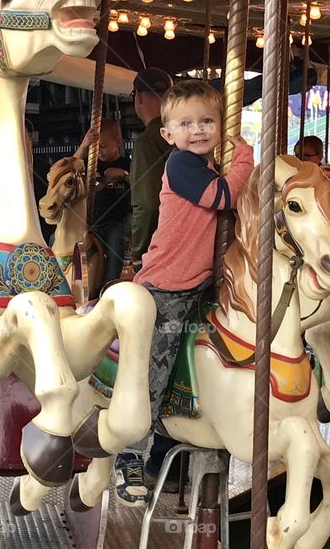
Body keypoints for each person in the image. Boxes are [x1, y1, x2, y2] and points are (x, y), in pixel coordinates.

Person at [111, 80, 254, 505]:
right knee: (153, 373)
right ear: (168, 133)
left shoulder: (204, 165)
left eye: (207, 121)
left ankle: (168, 451)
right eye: (186, 123)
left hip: (201, 286)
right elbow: (224, 196)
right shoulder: (182, 165)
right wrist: (244, 156)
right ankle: (129, 457)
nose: (198, 130)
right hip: (168, 288)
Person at [74, 118, 131, 287]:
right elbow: (67, 170)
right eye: (95, 146)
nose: (98, 151)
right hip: (91, 221)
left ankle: (109, 285)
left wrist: (124, 174)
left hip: (115, 221)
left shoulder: (126, 164)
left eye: (104, 146)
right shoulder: (91, 165)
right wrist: (84, 146)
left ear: (118, 142)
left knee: (114, 241)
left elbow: (141, 184)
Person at [129, 67, 173, 271]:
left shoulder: (147, 142)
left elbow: (147, 204)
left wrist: (138, 252)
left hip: (160, 248)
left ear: (138, 96)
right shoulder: (182, 135)